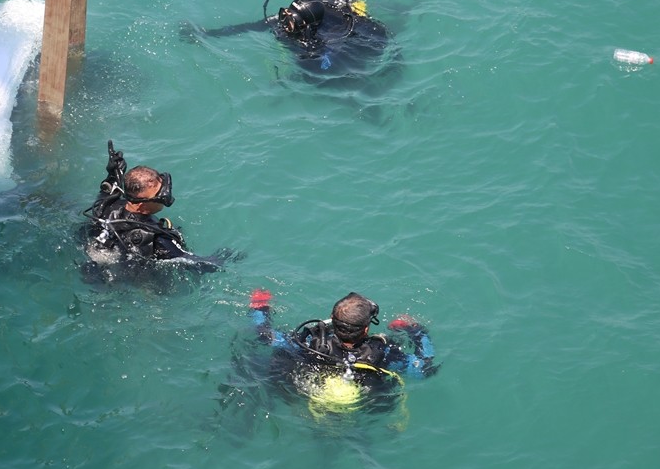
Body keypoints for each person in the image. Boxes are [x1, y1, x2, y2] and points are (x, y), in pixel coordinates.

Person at [247, 289, 436, 417]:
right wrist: (416, 331)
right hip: (360, 407)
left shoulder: (309, 343)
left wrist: (260, 307)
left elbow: (265, 335)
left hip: (307, 395)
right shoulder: (384, 353)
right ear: (366, 330)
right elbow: (423, 369)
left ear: (331, 319)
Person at [184, 0, 395, 80]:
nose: (285, 22)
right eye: (286, 14)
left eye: (291, 20)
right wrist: (207, 35)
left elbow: (327, 67)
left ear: (308, 25)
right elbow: (248, 27)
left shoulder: (328, 38)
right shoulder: (283, 19)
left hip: (361, 37)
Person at [81, 141, 236, 275]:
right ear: (141, 205)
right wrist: (228, 257)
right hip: (126, 273)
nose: (166, 195)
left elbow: (108, 188)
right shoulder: (156, 239)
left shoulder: (105, 205)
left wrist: (114, 173)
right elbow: (196, 264)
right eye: (160, 195)